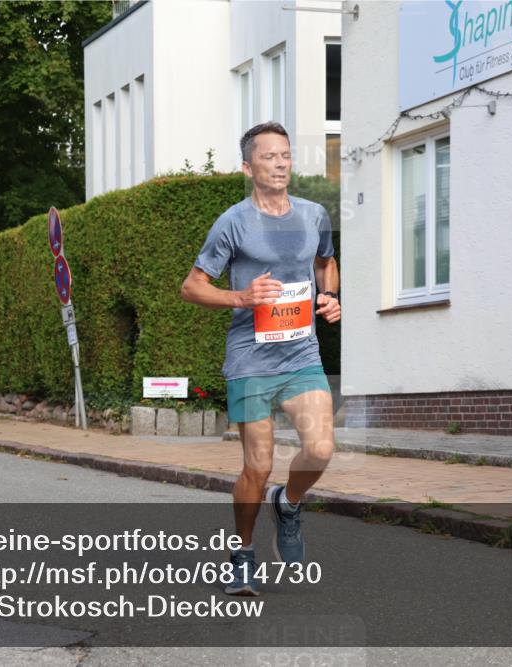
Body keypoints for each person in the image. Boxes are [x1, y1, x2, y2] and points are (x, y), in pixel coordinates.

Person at [180, 121, 340, 596]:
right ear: (248, 167)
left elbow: (325, 263)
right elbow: (192, 287)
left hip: (301, 354)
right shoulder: (233, 222)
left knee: (321, 448)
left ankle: (288, 506)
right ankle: (242, 553)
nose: (281, 164)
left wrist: (330, 295)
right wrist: (242, 297)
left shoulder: (314, 215)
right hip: (250, 359)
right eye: (270, 157)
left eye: (286, 155)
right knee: (258, 465)